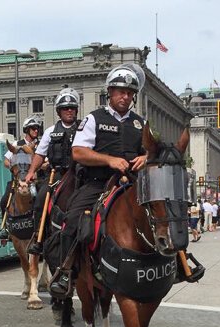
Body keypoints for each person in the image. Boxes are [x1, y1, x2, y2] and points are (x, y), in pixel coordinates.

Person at [49, 63, 148, 297]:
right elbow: (78, 152)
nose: (125, 96)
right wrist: (109, 160)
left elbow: (151, 149)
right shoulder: (94, 119)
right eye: (120, 91)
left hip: (132, 184)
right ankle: (65, 271)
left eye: (130, 93)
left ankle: (179, 263)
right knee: (73, 219)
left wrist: (146, 156)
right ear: (110, 92)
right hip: (98, 183)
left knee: (163, 212)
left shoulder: (139, 123)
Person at [24, 87, 80, 255]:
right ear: (59, 111)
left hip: (81, 174)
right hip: (58, 175)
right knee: (40, 199)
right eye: (65, 108)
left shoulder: (85, 127)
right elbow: (40, 154)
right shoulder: (50, 131)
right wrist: (31, 172)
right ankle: (38, 238)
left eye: (72, 108)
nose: (69, 111)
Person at [0, 115, 43, 218]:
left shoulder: (41, 145)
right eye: (33, 128)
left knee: (42, 198)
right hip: (18, 180)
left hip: (36, 181)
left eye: (38, 128)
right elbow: (6, 161)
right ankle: (5, 226)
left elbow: (46, 162)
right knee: (4, 200)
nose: (36, 131)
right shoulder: (17, 144)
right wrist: (13, 166)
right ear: (27, 130)